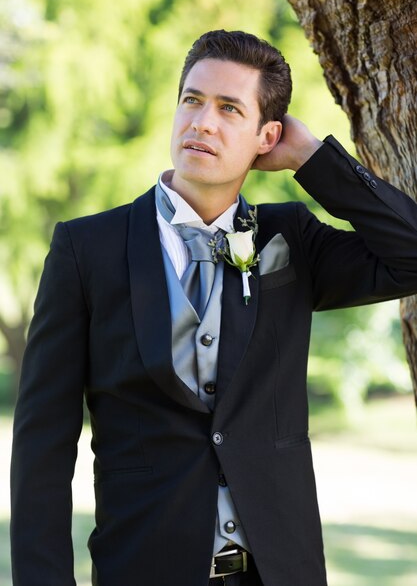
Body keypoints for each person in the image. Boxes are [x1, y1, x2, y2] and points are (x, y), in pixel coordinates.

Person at [10, 29, 417, 586]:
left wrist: (311, 157)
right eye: (193, 100)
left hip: (282, 572)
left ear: (265, 135)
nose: (203, 122)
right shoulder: (87, 250)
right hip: (145, 569)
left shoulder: (290, 239)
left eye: (230, 109)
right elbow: (42, 445)